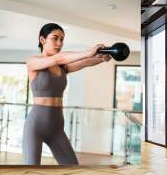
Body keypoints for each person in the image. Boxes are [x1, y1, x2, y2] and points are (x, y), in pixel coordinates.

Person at [22, 23, 112, 165]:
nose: (59, 43)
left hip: (56, 126)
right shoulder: (33, 62)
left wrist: (102, 57)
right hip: (35, 126)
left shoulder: (62, 67)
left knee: (72, 168)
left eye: (62, 39)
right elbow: (59, 58)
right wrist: (89, 51)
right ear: (42, 40)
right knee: (31, 171)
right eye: (55, 38)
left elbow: (84, 63)